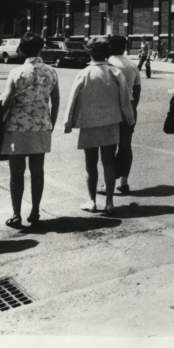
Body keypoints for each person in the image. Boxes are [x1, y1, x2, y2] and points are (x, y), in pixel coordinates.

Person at [0, 33, 60, 229]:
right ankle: (35, 211)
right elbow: (56, 100)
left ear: (21, 50)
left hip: (17, 126)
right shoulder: (51, 72)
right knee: (37, 171)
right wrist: (51, 123)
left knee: (16, 173)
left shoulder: (17, 72)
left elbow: (7, 99)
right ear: (41, 49)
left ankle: (16, 214)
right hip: (41, 126)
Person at [63, 39, 134, 214]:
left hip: (89, 124)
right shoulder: (116, 72)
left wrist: (68, 122)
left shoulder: (84, 73)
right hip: (111, 122)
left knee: (90, 164)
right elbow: (125, 99)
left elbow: (72, 99)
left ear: (89, 53)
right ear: (107, 53)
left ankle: (92, 201)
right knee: (108, 162)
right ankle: (109, 202)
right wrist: (129, 118)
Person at [108, 35, 141, 195]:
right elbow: (137, 89)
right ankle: (124, 182)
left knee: (109, 147)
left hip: (111, 108)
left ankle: (109, 182)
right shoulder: (132, 65)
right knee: (126, 145)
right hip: (130, 106)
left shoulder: (108, 64)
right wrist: (132, 107)